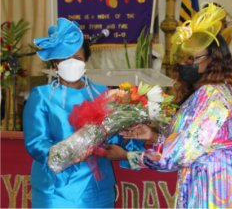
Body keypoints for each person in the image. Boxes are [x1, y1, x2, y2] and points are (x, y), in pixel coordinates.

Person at [97, 3, 232, 208]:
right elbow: (188, 141)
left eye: (193, 58)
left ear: (214, 59)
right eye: (183, 58)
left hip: (214, 182)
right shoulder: (206, 92)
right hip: (213, 174)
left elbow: (177, 155)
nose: (185, 63)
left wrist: (128, 156)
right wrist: (154, 136)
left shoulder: (212, 95)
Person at [23, 17, 144, 208]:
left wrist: (127, 123)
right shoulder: (42, 96)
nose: (72, 63)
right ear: (55, 63)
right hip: (56, 188)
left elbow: (113, 141)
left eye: (77, 58)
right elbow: (36, 143)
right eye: (65, 59)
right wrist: (68, 153)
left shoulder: (103, 92)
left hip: (96, 188)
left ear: (86, 60)